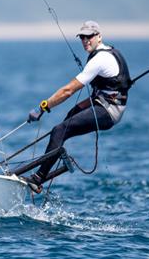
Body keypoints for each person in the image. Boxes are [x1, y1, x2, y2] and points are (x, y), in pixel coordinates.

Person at [20, 21, 131, 193]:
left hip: (109, 111)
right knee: (69, 118)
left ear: (99, 36)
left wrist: (43, 107)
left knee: (59, 130)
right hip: (105, 103)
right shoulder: (108, 52)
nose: (86, 40)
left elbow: (68, 90)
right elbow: (109, 88)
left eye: (89, 36)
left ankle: (38, 178)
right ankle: (56, 151)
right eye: (82, 37)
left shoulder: (100, 58)